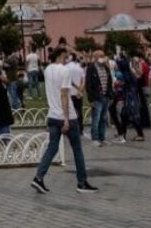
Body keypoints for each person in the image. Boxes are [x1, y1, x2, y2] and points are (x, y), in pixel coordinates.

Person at [31, 47, 98, 194]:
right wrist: (67, 118)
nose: (68, 59)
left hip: (52, 115)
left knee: (52, 148)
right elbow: (64, 95)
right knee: (77, 149)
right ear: (61, 56)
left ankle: (38, 178)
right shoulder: (65, 71)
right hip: (65, 116)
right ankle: (82, 182)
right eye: (66, 57)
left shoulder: (48, 69)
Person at [85, 49, 112, 146]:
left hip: (105, 96)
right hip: (97, 97)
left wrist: (110, 96)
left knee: (103, 118)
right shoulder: (91, 68)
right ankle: (95, 138)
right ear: (95, 57)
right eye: (100, 56)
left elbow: (109, 82)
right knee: (96, 118)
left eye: (103, 55)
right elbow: (88, 84)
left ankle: (102, 137)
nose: (102, 57)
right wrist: (91, 99)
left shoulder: (106, 67)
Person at [114, 58, 145, 143]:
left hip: (130, 98)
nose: (116, 66)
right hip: (131, 98)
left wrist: (119, 84)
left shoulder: (126, 74)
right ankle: (124, 135)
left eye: (118, 65)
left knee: (130, 116)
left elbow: (126, 85)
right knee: (125, 116)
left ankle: (139, 135)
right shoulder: (129, 73)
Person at [66, 53, 86, 135]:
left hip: (69, 93)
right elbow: (83, 80)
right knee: (79, 111)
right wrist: (80, 89)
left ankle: (70, 128)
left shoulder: (66, 68)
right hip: (78, 93)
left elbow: (67, 81)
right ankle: (80, 128)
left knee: (69, 111)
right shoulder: (80, 68)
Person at [132, 52, 151, 129]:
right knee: (145, 105)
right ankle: (147, 122)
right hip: (145, 86)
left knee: (144, 105)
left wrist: (135, 68)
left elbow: (140, 75)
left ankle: (146, 122)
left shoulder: (142, 65)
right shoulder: (145, 64)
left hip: (143, 87)